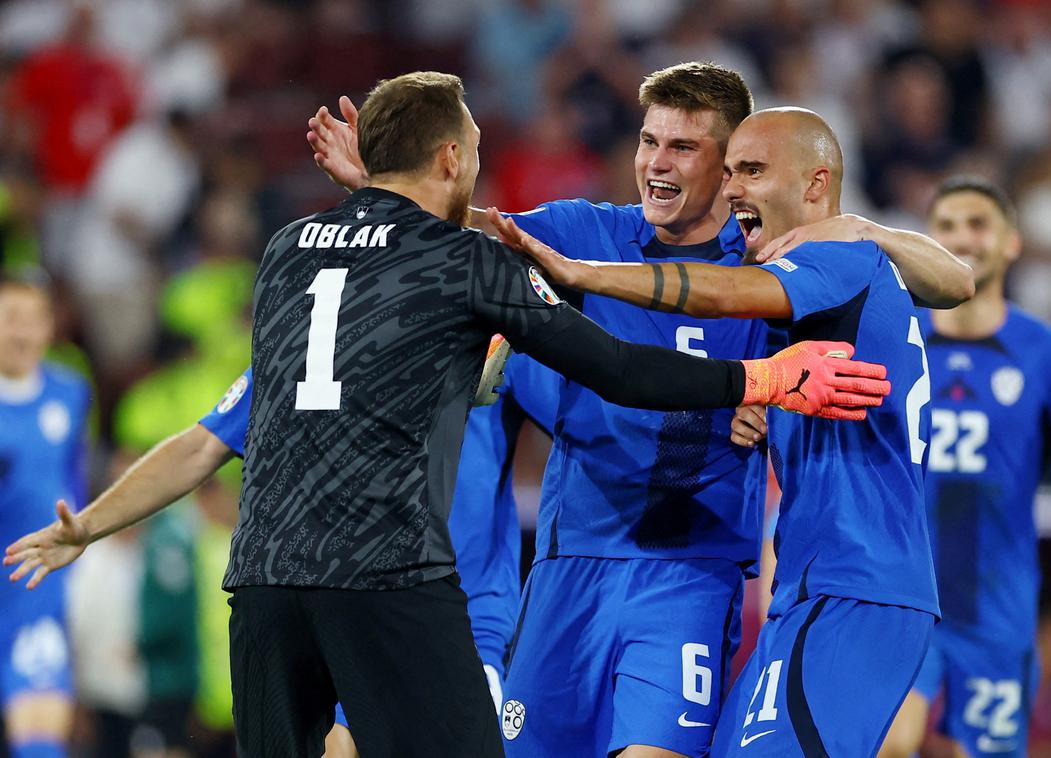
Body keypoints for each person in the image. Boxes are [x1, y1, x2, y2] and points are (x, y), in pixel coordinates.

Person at [206, 72, 883, 757]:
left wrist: (772, 405)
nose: (656, 162)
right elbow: (480, 233)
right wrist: (385, 187)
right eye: (650, 141)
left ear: (729, 164)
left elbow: (890, 316)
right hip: (567, 570)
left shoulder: (766, 272)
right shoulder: (582, 232)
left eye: (682, 147)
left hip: (688, 575)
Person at [490, 106, 968, 756]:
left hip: (855, 585)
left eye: (753, 169)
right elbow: (949, 284)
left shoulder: (836, 259)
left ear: (814, 184)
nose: (733, 186)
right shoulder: (827, 286)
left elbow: (715, 294)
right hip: (811, 590)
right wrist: (765, 402)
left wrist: (586, 274)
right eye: (731, 169)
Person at [7, 351, 558, 758]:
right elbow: (202, 445)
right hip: (347, 617)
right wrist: (89, 526)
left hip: (459, 621)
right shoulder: (311, 340)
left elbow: (589, 419)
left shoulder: (487, 332)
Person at [868, 177, 1051, 758]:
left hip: (995, 606)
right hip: (904, 592)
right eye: (948, 226)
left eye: (978, 224)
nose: (962, 238)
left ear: (1011, 243)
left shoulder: (1046, 351)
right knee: (888, 741)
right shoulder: (895, 336)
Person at [0, 276, 89, 758]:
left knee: (40, 737)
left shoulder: (70, 392)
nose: (22, 332)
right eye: (11, 318)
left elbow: (72, 476)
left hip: (34, 585)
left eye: (34, 320)